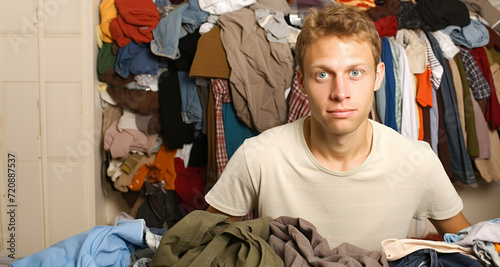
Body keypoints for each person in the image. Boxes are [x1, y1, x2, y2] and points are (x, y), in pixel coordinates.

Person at [205, 3, 470, 251]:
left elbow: (474, 249)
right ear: (301, 81)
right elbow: (201, 249)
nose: (340, 93)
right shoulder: (257, 157)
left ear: (378, 77)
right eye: (323, 74)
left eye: (355, 72)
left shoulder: (417, 161)